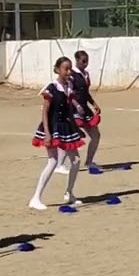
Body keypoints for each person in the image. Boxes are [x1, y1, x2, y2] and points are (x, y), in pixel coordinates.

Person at [29, 57, 84, 210]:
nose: (68, 72)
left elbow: (69, 111)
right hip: (53, 127)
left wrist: (76, 128)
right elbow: (45, 112)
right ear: (58, 69)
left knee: (76, 161)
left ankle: (69, 193)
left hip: (66, 127)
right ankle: (36, 197)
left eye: (70, 69)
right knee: (52, 161)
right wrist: (47, 133)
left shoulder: (69, 86)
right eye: (65, 69)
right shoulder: (52, 88)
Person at [71, 50, 103, 170]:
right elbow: (69, 93)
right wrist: (76, 105)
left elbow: (85, 93)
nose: (85, 64)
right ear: (77, 60)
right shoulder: (72, 75)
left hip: (84, 109)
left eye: (87, 61)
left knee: (96, 135)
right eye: (83, 61)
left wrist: (94, 104)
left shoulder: (86, 74)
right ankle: (59, 164)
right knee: (69, 136)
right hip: (73, 110)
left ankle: (89, 162)